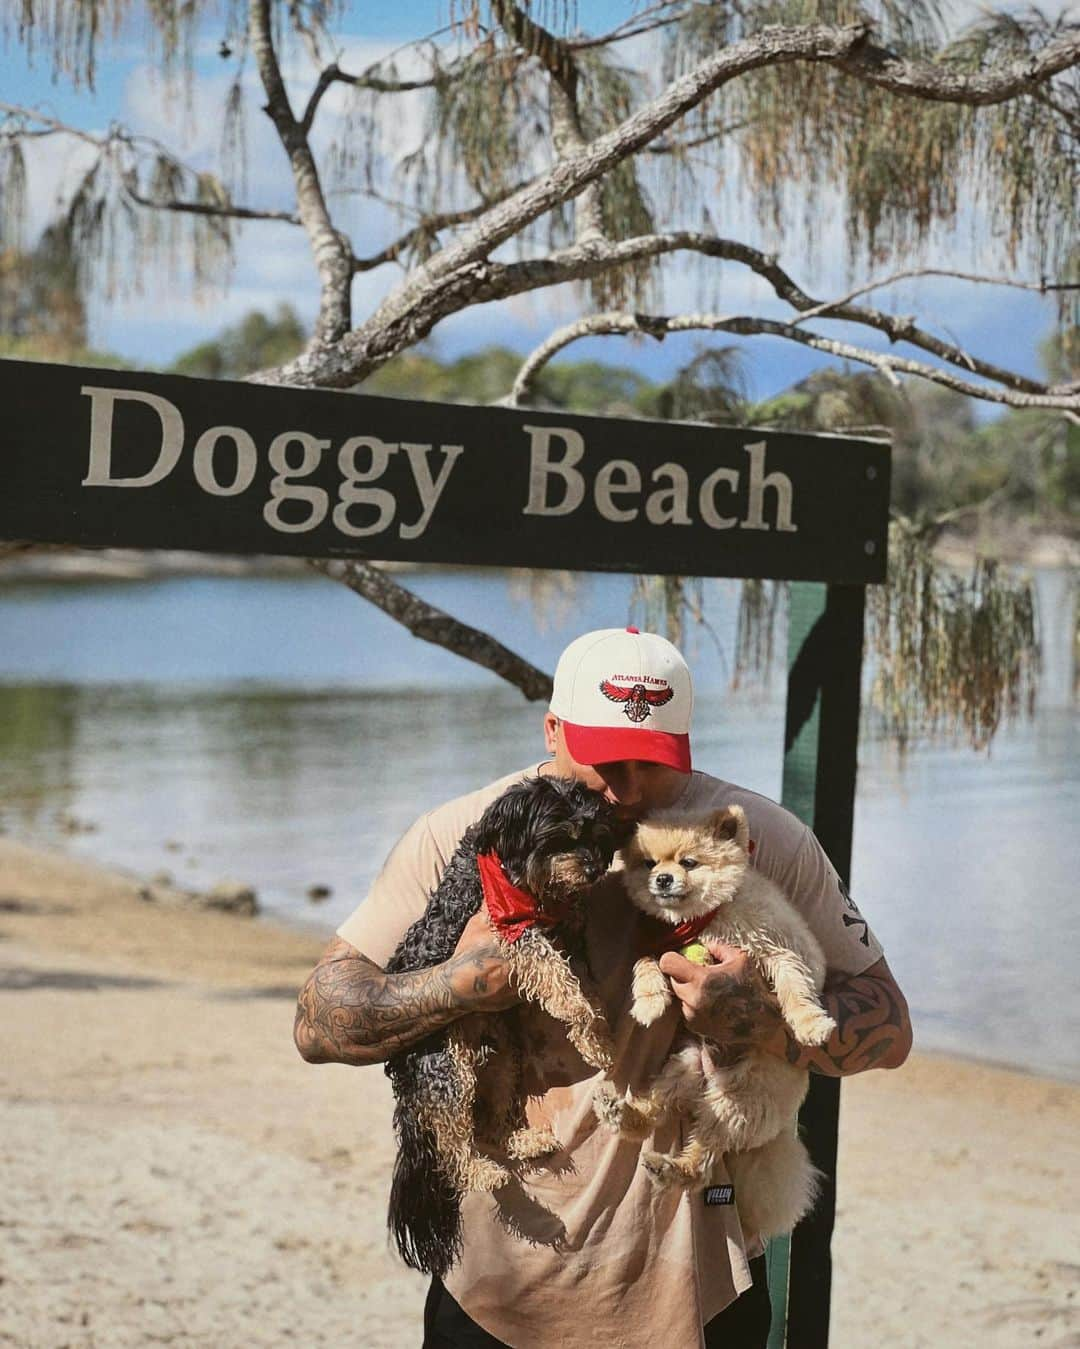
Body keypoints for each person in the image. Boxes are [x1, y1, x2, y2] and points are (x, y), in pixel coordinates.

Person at [294, 627, 912, 1349]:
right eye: (602, 758)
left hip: (700, 1288)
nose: (625, 788)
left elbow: (891, 1028)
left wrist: (759, 1018)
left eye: (653, 764)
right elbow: (318, 1023)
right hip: (497, 1291)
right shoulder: (468, 833)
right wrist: (458, 987)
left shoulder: (756, 840)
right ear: (552, 728)